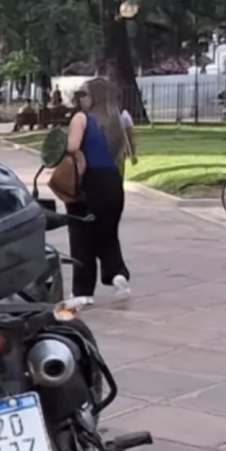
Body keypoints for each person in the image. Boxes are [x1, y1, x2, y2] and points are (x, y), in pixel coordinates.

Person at [63, 77, 131, 302]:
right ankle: (117, 274)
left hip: (89, 183)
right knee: (108, 234)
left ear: (93, 97)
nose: (80, 99)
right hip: (112, 182)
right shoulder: (116, 120)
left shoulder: (81, 118)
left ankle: (82, 291)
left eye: (83, 94)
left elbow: (72, 147)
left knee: (81, 235)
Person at [119, 106, 139, 177]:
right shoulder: (124, 115)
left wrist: (133, 154)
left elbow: (131, 135)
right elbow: (131, 135)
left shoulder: (124, 116)